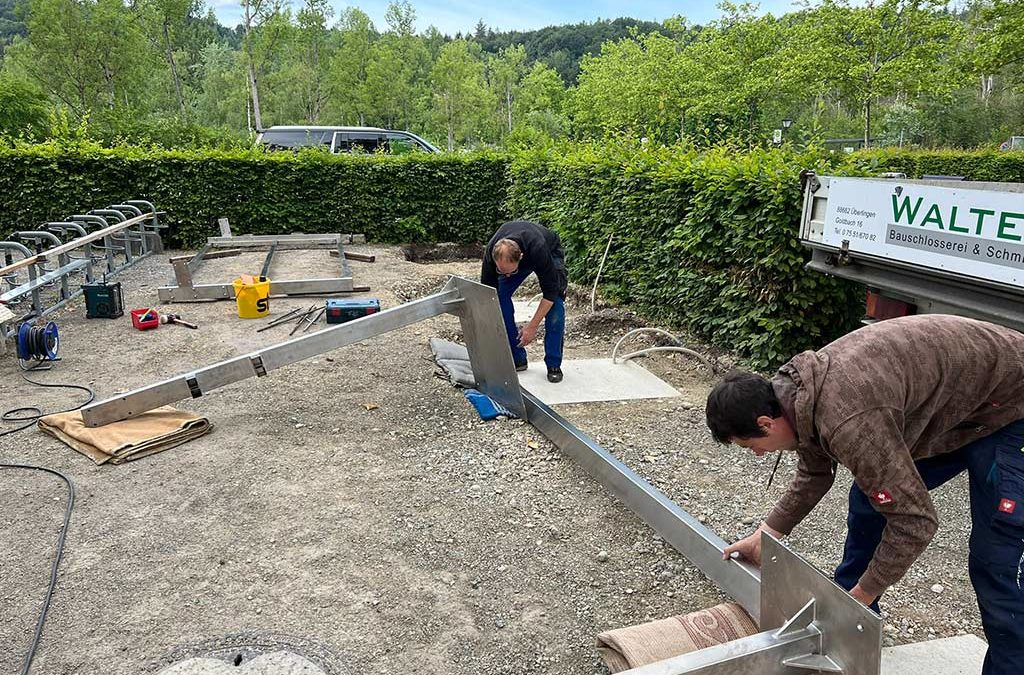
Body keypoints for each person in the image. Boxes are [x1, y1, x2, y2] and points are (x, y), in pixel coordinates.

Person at [705, 314, 1024, 675]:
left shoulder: (847, 418)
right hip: (962, 407)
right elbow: (814, 471)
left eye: (752, 446)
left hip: (1013, 406)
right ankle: (850, 626)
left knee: (997, 562)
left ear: (766, 422)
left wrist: (864, 593)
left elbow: (916, 521)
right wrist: (767, 533)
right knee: (868, 499)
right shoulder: (797, 398)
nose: (759, 455)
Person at [481, 220, 567, 383]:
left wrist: (531, 327)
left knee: (556, 305)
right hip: (519, 255)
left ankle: (554, 364)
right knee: (498, 299)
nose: (505, 276)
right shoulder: (491, 255)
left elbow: (549, 294)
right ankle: (517, 357)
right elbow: (488, 296)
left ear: (520, 258)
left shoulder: (538, 249)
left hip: (550, 250)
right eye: (501, 271)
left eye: (509, 272)